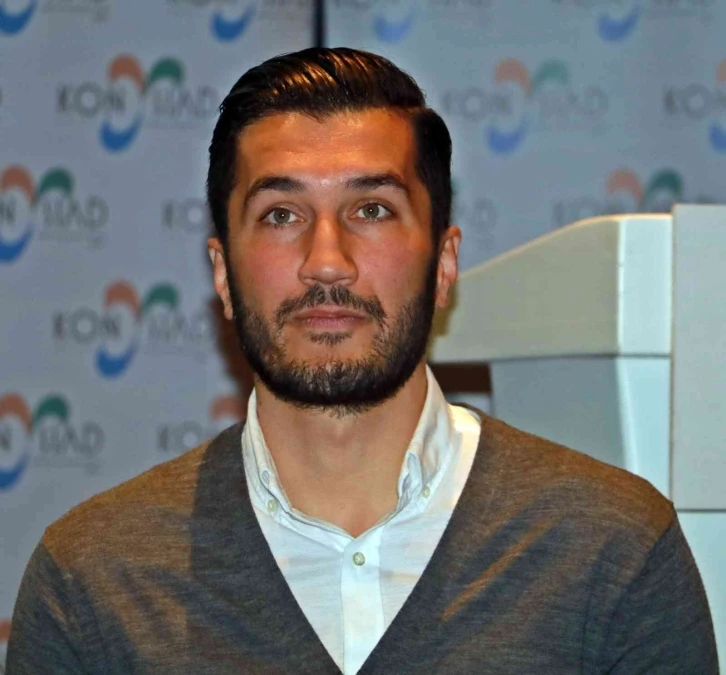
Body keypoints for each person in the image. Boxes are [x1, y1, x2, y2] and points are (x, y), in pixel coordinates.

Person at [6, 48, 718, 674]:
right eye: (281, 214)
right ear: (221, 273)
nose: (327, 261)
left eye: (372, 209)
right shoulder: (92, 578)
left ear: (444, 262)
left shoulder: (613, 550)